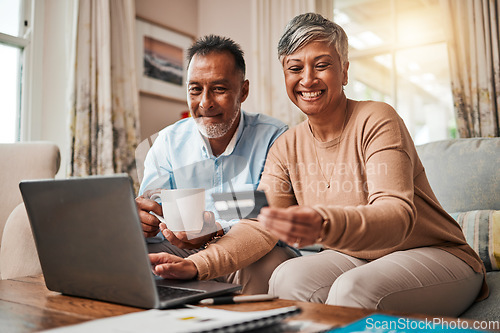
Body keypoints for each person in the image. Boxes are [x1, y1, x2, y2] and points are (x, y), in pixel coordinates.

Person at [255, 13, 488, 316]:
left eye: (322, 65)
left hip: (434, 252)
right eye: (295, 68)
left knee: (353, 289)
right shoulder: (285, 146)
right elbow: (260, 224)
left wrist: (323, 222)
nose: (308, 79)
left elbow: (396, 215)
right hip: (356, 256)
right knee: (287, 276)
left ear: (345, 71)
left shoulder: (377, 118)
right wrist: (199, 262)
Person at [135, 35, 297, 294]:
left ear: (243, 91)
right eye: (195, 89)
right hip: (180, 244)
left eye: (219, 89)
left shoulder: (275, 136)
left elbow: (271, 212)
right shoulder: (167, 141)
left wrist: (215, 229)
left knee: (272, 266)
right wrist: (143, 222)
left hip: (248, 246)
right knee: (131, 256)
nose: (205, 103)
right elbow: (153, 208)